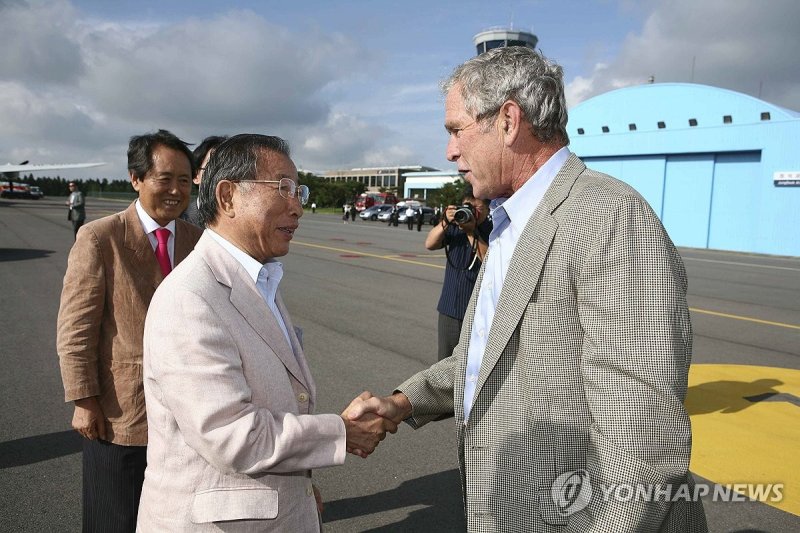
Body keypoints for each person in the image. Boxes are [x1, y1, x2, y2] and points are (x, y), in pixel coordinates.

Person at [348, 47, 707, 531]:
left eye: (456, 130)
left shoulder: (609, 216)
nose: (450, 151)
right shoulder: (509, 222)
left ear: (508, 121)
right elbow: (485, 357)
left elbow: (640, 432)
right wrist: (403, 403)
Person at [136, 134, 396, 531]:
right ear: (227, 197)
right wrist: (342, 432)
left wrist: (303, 487)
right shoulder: (190, 297)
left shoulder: (259, 279)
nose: (297, 207)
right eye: (283, 188)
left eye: (299, 191)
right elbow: (230, 435)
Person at [56, 129, 203, 532]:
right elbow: (76, 329)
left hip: (187, 413)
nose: (176, 190)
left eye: (184, 180)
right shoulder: (99, 237)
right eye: (164, 178)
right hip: (122, 413)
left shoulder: (198, 241)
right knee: (114, 517)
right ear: (136, 178)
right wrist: (84, 400)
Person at [425, 183, 491, 361]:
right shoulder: (455, 226)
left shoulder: (493, 230)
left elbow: (489, 261)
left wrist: (471, 233)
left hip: (478, 313)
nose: (471, 212)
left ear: (487, 210)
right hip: (450, 309)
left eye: (477, 208)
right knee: (444, 360)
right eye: (468, 206)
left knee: (474, 362)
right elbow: (429, 244)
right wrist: (445, 222)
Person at [182, 135, 227, 226]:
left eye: (227, 167)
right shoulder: (179, 221)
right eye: (212, 167)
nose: (220, 174)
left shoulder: (244, 223)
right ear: (196, 176)